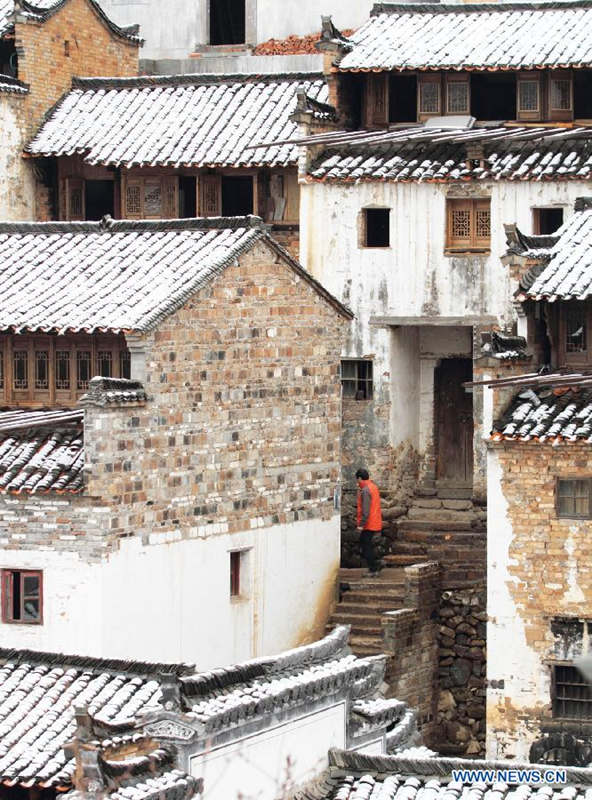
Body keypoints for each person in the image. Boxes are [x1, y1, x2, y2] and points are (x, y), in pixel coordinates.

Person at [355, 468, 382, 576]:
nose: (357, 482)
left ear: (360, 478)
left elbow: (365, 510)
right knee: (367, 544)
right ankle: (375, 565)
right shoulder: (373, 487)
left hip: (369, 523)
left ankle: (373, 568)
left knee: (365, 545)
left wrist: (361, 524)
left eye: (357, 480)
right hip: (375, 520)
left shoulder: (366, 490)